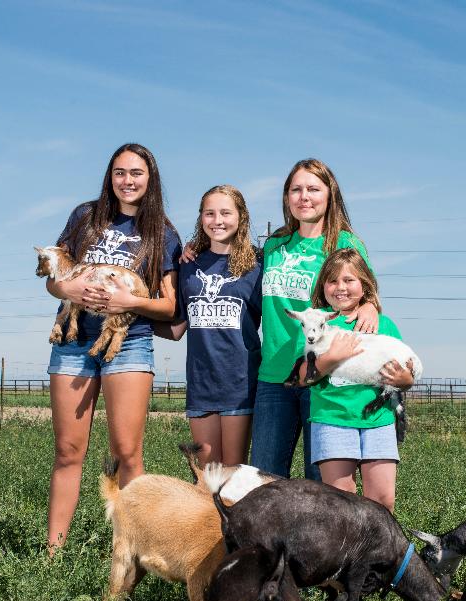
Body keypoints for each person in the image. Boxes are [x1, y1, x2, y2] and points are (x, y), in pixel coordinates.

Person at [43, 143, 181, 551]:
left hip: (129, 343)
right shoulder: (85, 217)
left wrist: (130, 302)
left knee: (126, 451)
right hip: (72, 343)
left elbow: (170, 304)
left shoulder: (163, 233)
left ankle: (131, 554)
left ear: (150, 178)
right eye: (119, 173)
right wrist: (66, 287)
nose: (127, 181)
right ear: (110, 177)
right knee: (68, 451)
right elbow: (54, 277)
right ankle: (52, 554)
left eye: (136, 173)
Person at [251, 159, 379, 480]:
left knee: (319, 484)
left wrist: (370, 306)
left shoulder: (345, 244)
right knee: (264, 482)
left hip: (322, 378)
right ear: (286, 197)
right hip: (274, 377)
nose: (303, 196)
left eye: (313, 189)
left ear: (329, 194)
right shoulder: (274, 247)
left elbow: (364, 292)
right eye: (296, 189)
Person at [154, 185, 262, 465]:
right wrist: (132, 318)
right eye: (209, 213)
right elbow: (178, 328)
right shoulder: (188, 264)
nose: (218, 220)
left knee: (234, 473)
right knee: (206, 476)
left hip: (240, 382)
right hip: (201, 384)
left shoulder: (258, 264)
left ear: (241, 217)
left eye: (226, 213)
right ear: (201, 217)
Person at [306, 248, 415, 512]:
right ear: (323, 286)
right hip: (332, 419)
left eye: (348, 280)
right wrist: (333, 357)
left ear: (364, 285)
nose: (340, 288)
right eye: (332, 281)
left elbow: (406, 372)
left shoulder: (383, 324)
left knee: (382, 500)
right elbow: (305, 375)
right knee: (340, 499)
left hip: (378, 421)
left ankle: (378, 553)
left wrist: (405, 380)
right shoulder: (315, 321)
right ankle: (343, 554)